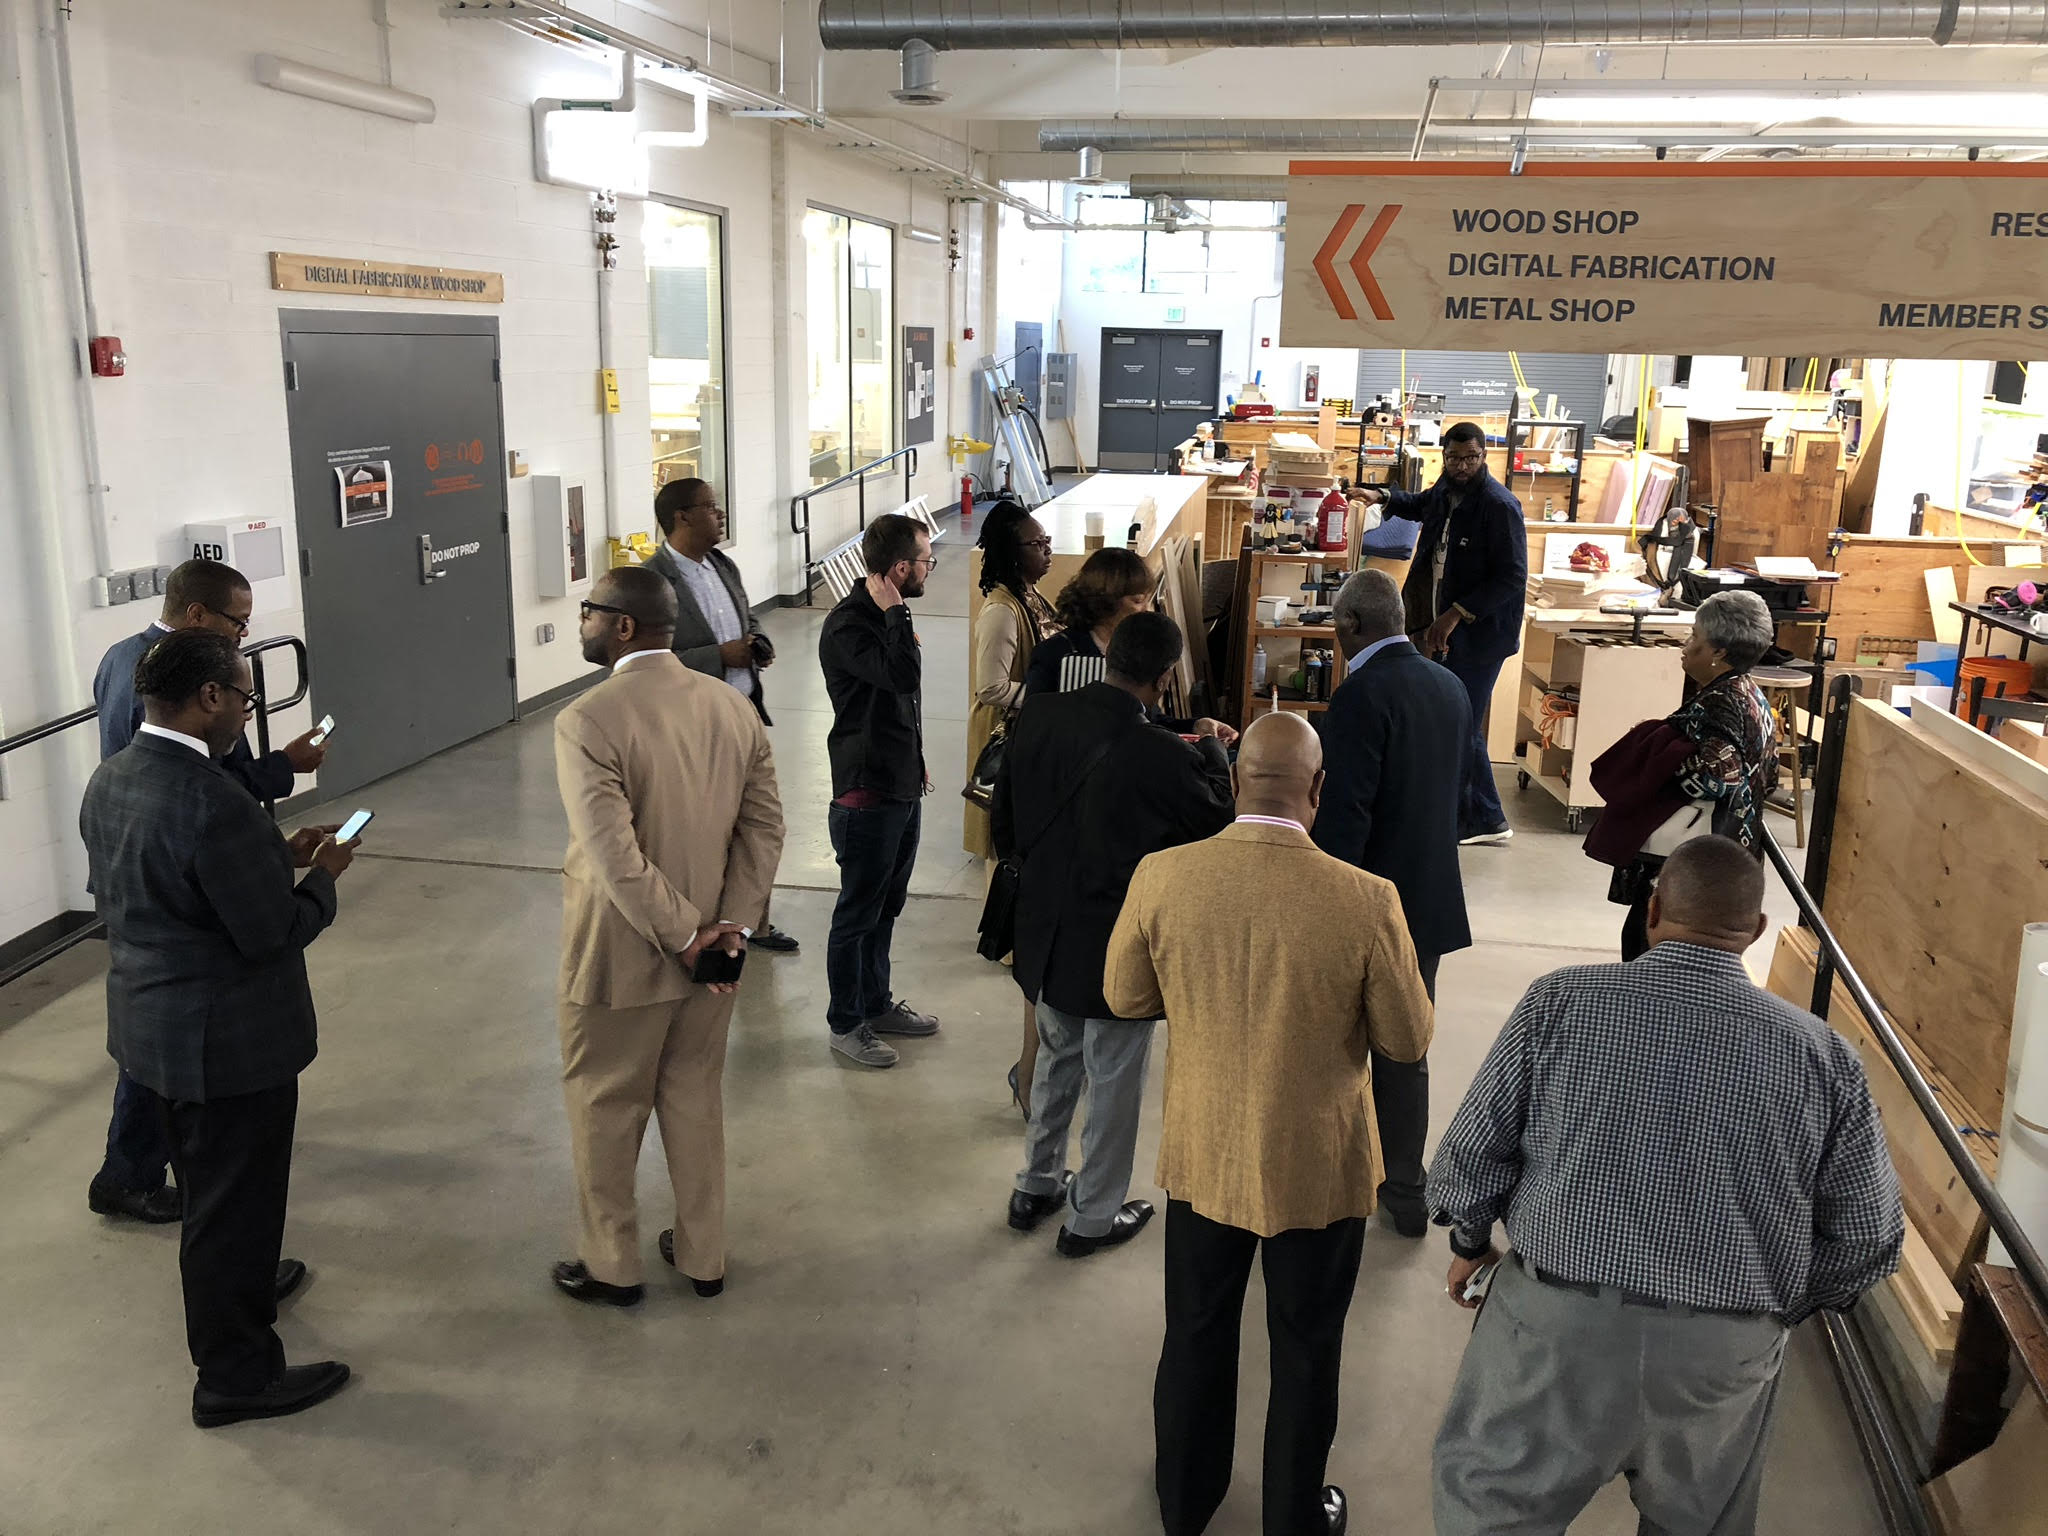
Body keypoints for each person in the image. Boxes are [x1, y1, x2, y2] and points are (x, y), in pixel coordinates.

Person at [1428, 835, 1903, 1536]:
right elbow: (1869, 1237)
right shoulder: (1825, 1057)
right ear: (1756, 933)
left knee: (1490, 1516)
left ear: (1653, 911)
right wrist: (1770, 1308)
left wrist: (1470, 1242)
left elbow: (1468, 1161)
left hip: (1557, 1331)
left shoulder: (1559, 1003)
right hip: (1722, 1360)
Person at [1105, 712, 1435, 1536]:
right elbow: (1407, 1038)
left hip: (1205, 1153)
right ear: (1318, 790)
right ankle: (1294, 1516)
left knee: (1195, 1334)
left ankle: (1185, 1500)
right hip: (1317, 1167)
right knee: (1306, 1349)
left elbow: (1125, 998)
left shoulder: (1162, 877)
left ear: (1232, 780)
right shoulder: (1367, 901)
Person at [79, 629, 360, 1428]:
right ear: (208, 698)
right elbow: (271, 934)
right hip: (228, 1045)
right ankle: (235, 1376)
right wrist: (321, 878)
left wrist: (272, 854)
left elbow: (166, 887)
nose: (246, 712)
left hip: (151, 1030)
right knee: (235, 1200)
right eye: (243, 697)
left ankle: (240, 1281)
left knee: (210, 1192)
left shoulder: (115, 778)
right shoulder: (213, 799)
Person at [550, 565, 785, 1308]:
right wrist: (730, 931)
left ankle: (612, 1265)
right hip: (716, 959)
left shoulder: (588, 719)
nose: (582, 622)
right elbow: (764, 827)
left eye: (589, 612)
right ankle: (703, 1254)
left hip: (620, 956)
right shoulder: (729, 707)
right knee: (692, 1094)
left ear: (622, 625)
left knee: (606, 1104)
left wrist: (684, 936)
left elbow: (613, 854)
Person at [86, 558, 328, 1226]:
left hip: (160, 866)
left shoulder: (142, 667)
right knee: (168, 1033)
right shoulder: (158, 684)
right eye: (237, 622)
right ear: (198, 616)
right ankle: (130, 1172)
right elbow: (191, 787)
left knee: (157, 1029)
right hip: (164, 877)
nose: (244, 635)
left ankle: (145, 1166)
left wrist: (276, 795)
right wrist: (314, 865)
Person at [991, 612, 1234, 1259]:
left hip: (1044, 934)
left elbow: (1005, 823)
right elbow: (1216, 820)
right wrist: (1209, 745)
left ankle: (1034, 1184)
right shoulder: (1157, 755)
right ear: (1164, 677)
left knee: (1054, 1063)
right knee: (1115, 1082)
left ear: (1108, 658)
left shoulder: (1040, 717)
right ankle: (1092, 1217)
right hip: (1119, 947)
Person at [1311, 568, 1471, 1239]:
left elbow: (1345, 818)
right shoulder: (1450, 686)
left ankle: (1329, 1170)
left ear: (1351, 626)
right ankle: (1405, 1186)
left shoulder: (1358, 697)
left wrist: (1317, 896)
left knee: (1334, 1042)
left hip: (1365, 905)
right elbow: (1457, 797)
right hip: (1428, 901)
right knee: (1406, 1047)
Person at [1354, 420, 1526, 847]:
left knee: (1462, 721)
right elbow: (1419, 503)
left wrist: (1454, 614)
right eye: (1454, 458)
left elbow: (1511, 577)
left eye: (1471, 458)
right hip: (1445, 627)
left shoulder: (1498, 505)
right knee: (1458, 719)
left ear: (1484, 456)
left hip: (1480, 635)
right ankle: (1475, 814)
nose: (1463, 465)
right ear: (1444, 457)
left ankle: (1484, 819)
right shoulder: (1447, 492)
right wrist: (1382, 495)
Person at [645, 476, 798, 955]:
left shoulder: (722, 564)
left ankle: (756, 922)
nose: (721, 514)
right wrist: (718, 657)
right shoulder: (653, 582)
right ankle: (702, 922)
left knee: (757, 822)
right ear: (682, 517)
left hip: (745, 712)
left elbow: (745, 619)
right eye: (711, 507)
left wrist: (755, 643)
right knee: (706, 826)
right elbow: (649, 657)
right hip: (694, 722)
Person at [817, 512, 942, 1069]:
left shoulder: (886, 615)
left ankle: (877, 1003)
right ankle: (846, 1022)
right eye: (925, 561)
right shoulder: (850, 625)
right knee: (857, 913)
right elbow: (903, 679)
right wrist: (895, 613)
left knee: (886, 906)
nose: (929, 569)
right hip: (866, 795)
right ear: (899, 569)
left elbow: (897, 708)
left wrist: (914, 765)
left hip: (899, 787)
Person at [1610, 589, 1779, 960]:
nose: (1685, 648)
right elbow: (1771, 773)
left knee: (1652, 957)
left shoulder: (1719, 703)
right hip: (1734, 852)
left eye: (1695, 640)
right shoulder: (1753, 696)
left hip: (1693, 861)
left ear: (1719, 652)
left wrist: (1658, 762)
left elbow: (1716, 777)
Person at [965, 500, 1058, 1114]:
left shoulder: (1030, 596)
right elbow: (991, 687)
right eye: (1035, 543)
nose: (1046, 550)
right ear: (1009, 550)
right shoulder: (1002, 610)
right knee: (1008, 848)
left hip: (1031, 735)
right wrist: (1054, 697)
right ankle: (1006, 939)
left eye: (1047, 540)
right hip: (1009, 738)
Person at [1023, 546, 1157, 698]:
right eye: (1138, 601)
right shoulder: (1054, 653)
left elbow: (1148, 716)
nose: (1147, 610)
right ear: (1106, 601)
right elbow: (1034, 717)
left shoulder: (1137, 653)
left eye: (1148, 600)